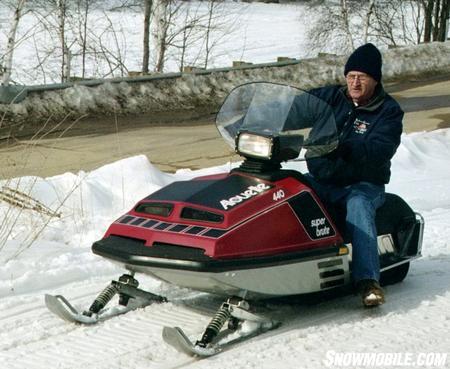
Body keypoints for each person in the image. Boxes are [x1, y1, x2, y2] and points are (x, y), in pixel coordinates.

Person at [306, 43, 403, 307]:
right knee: (287, 188)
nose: (355, 82)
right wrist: (271, 111)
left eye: (362, 77)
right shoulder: (334, 97)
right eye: (351, 76)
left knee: (359, 206)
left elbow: (381, 148)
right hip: (323, 179)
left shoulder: (389, 111)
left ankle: (368, 282)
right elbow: (301, 105)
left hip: (362, 185)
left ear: (375, 79)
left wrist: (347, 147)